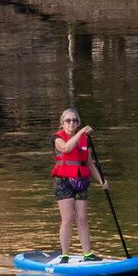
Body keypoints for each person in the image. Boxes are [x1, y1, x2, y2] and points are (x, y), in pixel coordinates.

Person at [52, 108, 98, 256]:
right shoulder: (57, 138)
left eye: (75, 120)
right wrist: (81, 132)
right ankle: (65, 254)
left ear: (78, 123)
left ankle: (87, 253)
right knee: (67, 218)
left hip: (81, 181)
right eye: (68, 121)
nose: (71, 123)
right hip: (64, 182)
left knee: (82, 218)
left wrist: (102, 180)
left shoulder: (84, 140)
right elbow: (66, 148)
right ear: (63, 123)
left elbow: (90, 164)